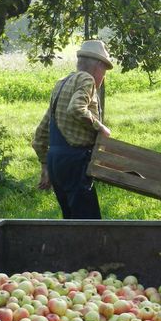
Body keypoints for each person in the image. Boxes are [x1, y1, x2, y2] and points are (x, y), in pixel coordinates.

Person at [32, 40, 113, 219]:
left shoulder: (61, 84)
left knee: (70, 221)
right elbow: (76, 108)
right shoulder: (86, 79)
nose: (103, 77)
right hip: (75, 160)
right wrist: (101, 128)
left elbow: (40, 135)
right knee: (88, 223)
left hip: (55, 162)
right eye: (104, 71)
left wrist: (45, 166)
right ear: (98, 65)